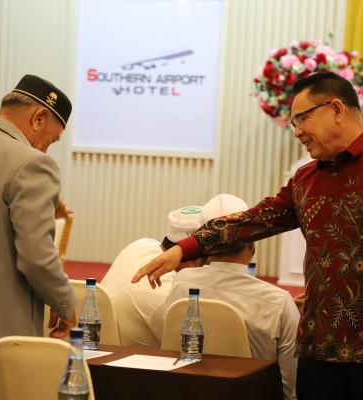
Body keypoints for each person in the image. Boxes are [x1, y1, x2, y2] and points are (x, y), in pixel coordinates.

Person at [132, 71, 363, 399]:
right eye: (293, 122)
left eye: (302, 119)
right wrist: (183, 249)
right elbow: (252, 221)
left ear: (336, 109)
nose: (297, 131)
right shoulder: (306, 181)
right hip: (318, 349)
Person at [0, 74, 77, 360]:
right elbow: (36, 257)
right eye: (51, 140)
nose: (46, 149)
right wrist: (65, 303)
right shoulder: (31, 164)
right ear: (38, 118)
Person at [165, 194, 299, 400]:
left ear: (203, 244)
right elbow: (290, 389)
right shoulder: (278, 303)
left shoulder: (181, 283)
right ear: (252, 243)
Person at [101, 204, 203, 347]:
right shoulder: (166, 296)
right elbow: (193, 348)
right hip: (135, 361)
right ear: (192, 263)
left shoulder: (141, 244)